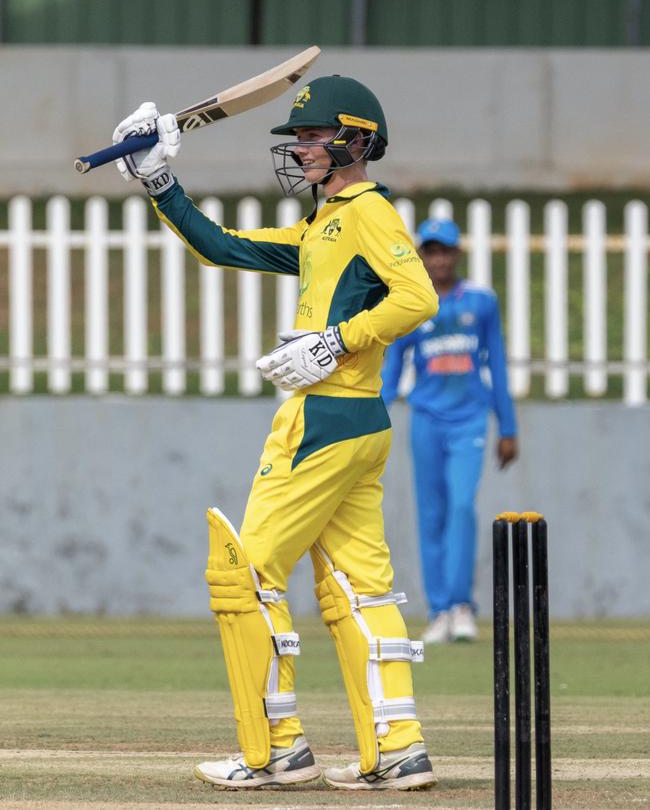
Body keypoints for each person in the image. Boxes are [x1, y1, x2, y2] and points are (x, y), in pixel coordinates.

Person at [111, 74, 439, 790]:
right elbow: (222, 246)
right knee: (359, 589)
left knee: (246, 574)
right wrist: (160, 180)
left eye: (314, 138)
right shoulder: (325, 224)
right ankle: (399, 749)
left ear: (356, 140)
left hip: (324, 415)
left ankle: (277, 748)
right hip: (358, 421)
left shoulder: (365, 214)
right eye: (298, 139)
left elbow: (417, 296)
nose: (301, 150)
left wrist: (334, 343)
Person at [381, 218, 518, 645]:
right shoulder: (409, 301)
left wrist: (508, 426)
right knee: (432, 515)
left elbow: (495, 361)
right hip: (426, 420)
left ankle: (461, 606)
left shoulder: (480, 301)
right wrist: (371, 411)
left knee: (461, 507)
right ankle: (439, 609)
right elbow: (391, 366)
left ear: (457, 254)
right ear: (422, 255)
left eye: (446, 251)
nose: (439, 259)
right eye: (431, 251)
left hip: (470, 420)